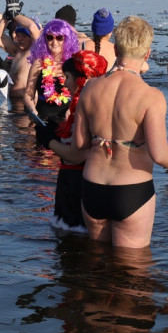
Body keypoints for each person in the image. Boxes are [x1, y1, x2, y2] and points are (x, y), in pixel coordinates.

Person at [73, 16, 168, 248]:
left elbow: (80, 144)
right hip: (131, 191)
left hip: (93, 185)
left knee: (94, 266)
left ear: (116, 48)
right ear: (147, 54)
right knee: (133, 275)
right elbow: (160, 154)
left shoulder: (90, 88)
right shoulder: (150, 96)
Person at [36, 51, 108, 233]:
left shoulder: (86, 109)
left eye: (68, 77)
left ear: (81, 79)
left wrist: (49, 141)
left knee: (71, 247)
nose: (65, 82)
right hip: (78, 182)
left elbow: (77, 156)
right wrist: (57, 133)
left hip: (77, 185)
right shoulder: (97, 104)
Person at [23, 19, 81, 138]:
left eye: (59, 37)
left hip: (67, 118)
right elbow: (28, 93)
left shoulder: (73, 64)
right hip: (43, 118)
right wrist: (32, 109)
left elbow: (80, 92)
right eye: (50, 38)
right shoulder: (39, 63)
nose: (54, 42)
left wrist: (72, 110)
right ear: (45, 40)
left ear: (66, 39)